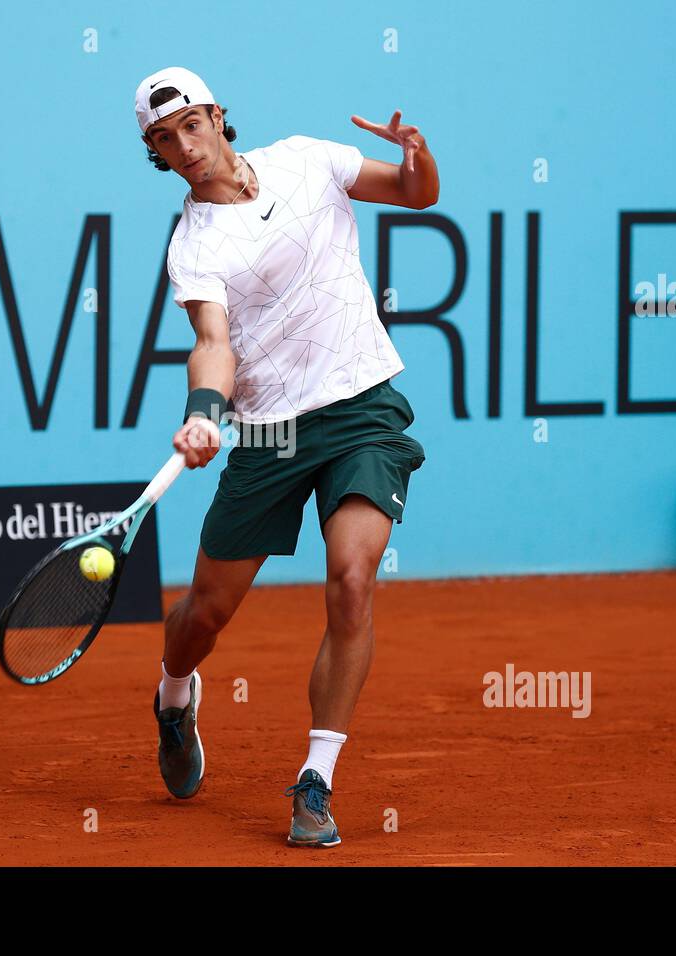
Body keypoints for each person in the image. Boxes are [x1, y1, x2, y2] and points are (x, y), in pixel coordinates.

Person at [135, 66, 438, 848]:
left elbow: (415, 194)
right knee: (205, 616)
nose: (183, 147)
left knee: (352, 579)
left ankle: (316, 780)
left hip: (363, 407)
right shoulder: (194, 247)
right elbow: (214, 344)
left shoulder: (309, 159)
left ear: (217, 115)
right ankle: (174, 696)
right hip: (268, 431)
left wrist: (415, 155)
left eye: (191, 125)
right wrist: (206, 414)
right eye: (163, 141)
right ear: (156, 154)